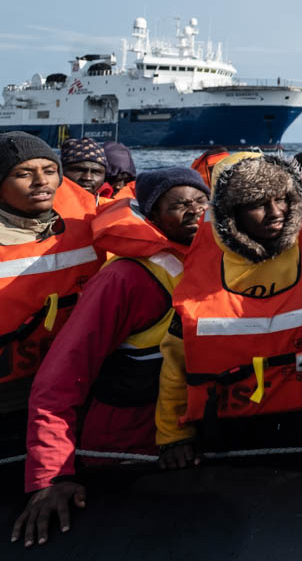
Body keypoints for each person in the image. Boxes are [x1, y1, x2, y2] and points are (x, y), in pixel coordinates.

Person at [11, 167, 207, 548]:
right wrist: (52, 477)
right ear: (151, 216)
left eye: (201, 201)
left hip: (186, 443)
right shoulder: (124, 280)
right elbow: (61, 378)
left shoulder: (218, 265)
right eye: (178, 205)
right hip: (123, 451)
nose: (195, 212)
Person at [154, 152, 302, 469]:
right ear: (231, 211)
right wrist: (173, 436)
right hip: (229, 430)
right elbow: (176, 359)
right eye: (257, 203)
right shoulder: (201, 272)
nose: (275, 213)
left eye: (282, 199)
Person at [0, 132, 101, 403]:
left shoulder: (95, 224)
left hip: (75, 381)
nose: (41, 181)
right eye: (23, 174)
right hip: (9, 394)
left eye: (50, 170)